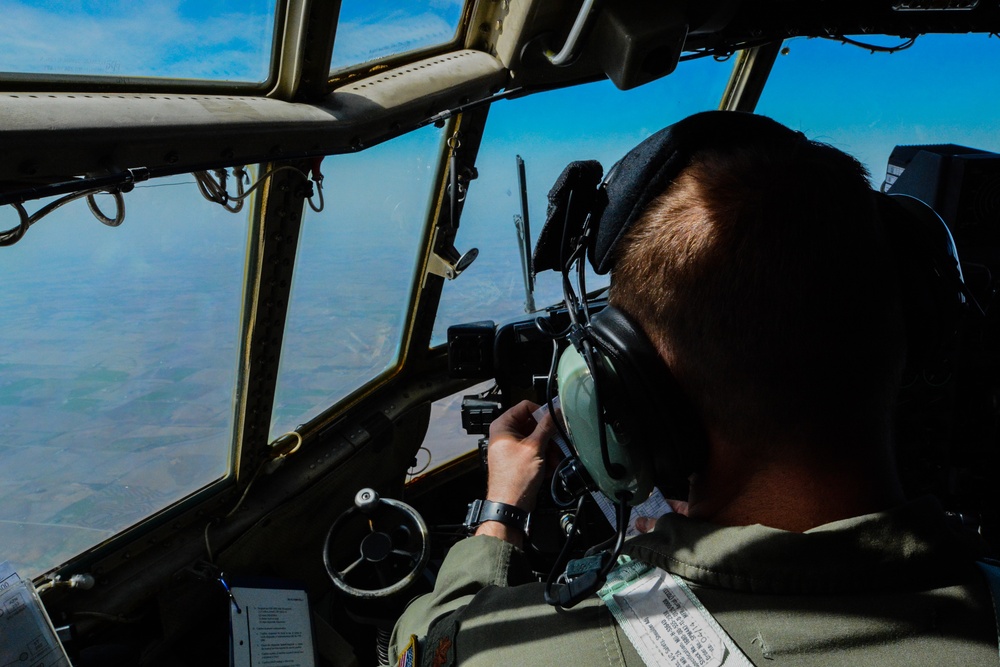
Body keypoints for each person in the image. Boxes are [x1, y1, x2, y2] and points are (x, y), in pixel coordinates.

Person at [389, 112, 997, 666]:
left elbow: (427, 639)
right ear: (921, 337)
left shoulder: (527, 654)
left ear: (627, 400)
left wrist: (501, 512)